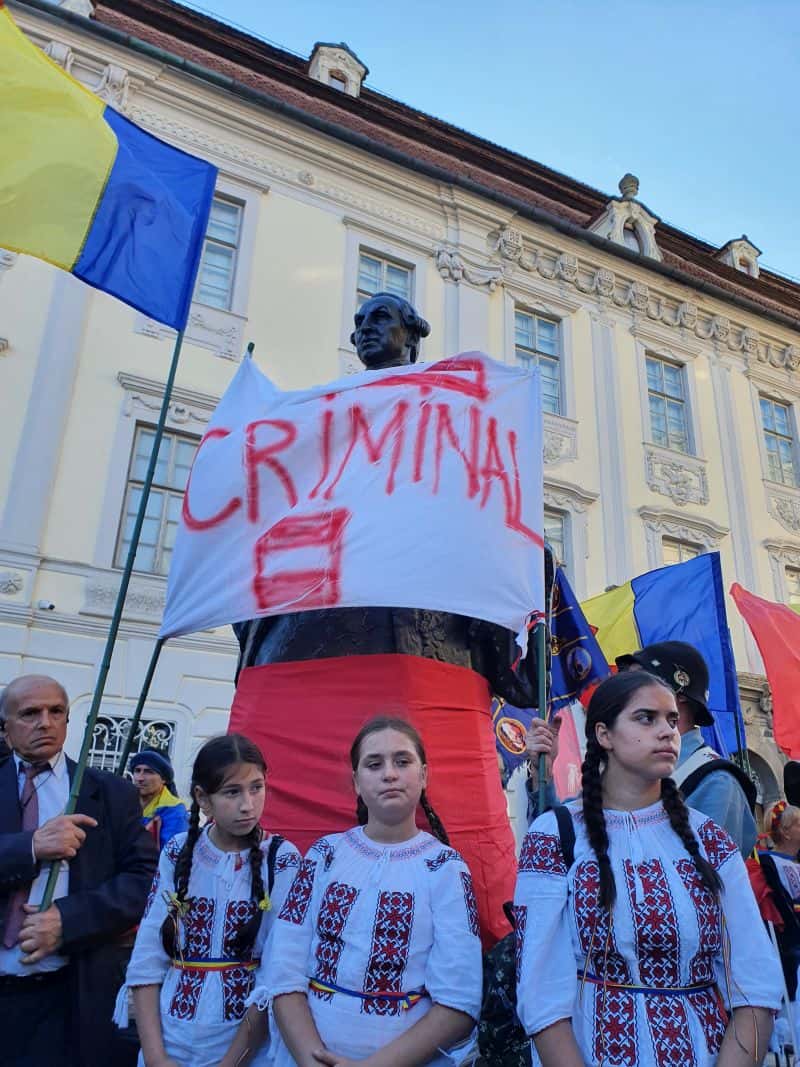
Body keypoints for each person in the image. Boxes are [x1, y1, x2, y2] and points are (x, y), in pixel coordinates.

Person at [231, 292, 540, 944]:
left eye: (381, 319)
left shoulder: (442, 420)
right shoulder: (325, 422)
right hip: (320, 630)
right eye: (360, 320)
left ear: (412, 336)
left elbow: (473, 509)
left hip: (424, 638)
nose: (365, 329)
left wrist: (510, 600)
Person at [515, 671, 781, 1067]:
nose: (667, 732)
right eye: (646, 718)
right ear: (604, 735)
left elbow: (755, 984)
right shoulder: (555, 835)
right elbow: (541, 995)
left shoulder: (709, 840)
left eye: (672, 720)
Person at [257, 716, 483, 1066]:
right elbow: (283, 968)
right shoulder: (324, 855)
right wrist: (310, 1058)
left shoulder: (446, 868)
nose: (389, 774)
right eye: (374, 764)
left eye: (402, 761)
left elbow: (458, 1002)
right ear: (357, 783)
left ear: (424, 776)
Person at [0, 673, 158, 1067]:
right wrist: (30, 846)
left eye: (56, 712)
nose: (45, 722)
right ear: (5, 727)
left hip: (68, 997)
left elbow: (143, 881)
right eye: (30, 713)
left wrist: (67, 921)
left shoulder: (109, 792)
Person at [117, 733, 301, 1067]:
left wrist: (230, 1063)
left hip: (245, 1049)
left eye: (256, 787)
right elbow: (147, 959)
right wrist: (157, 1058)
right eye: (232, 792)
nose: (248, 804)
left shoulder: (282, 860)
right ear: (203, 798)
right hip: (168, 1039)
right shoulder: (177, 852)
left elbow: (275, 975)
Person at [527, 641, 758, 855]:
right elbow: (559, 846)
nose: (621, 691)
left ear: (677, 697)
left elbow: (706, 884)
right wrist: (543, 776)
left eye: (637, 682)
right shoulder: (625, 769)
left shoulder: (716, 782)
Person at [128, 749, 188, 851]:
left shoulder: (175, 811)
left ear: (164, 779)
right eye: (137, 770)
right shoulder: (124, 803)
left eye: (148, 772)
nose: (140, 778)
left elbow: (170, 856)